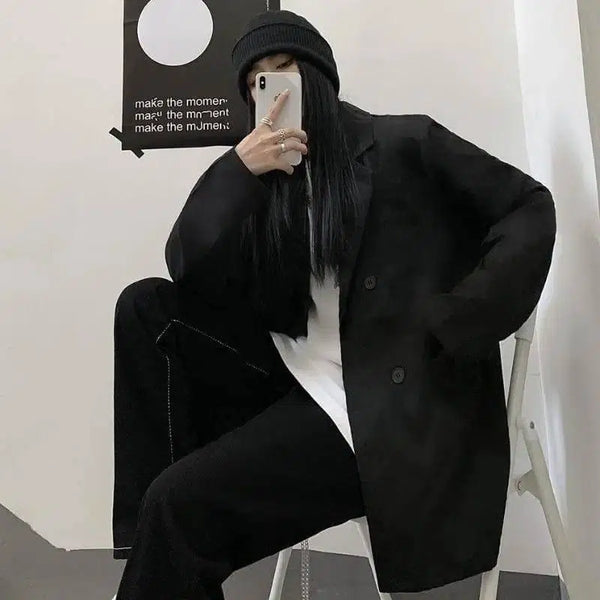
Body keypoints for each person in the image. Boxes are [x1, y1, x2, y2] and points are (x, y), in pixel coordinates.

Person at [111, 9, 557, 599]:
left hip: (371, 407)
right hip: (289, 382)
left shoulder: (403, 144)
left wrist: (460, 317)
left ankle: (160, 544)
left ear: (318, 76)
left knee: (177, 505)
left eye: (285, 69)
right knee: (145, 307)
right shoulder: (263, 182)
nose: (273, 90)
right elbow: (187, 268)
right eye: (257, 82)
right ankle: (151, 542)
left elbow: (528, 206)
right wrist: (236, 173)